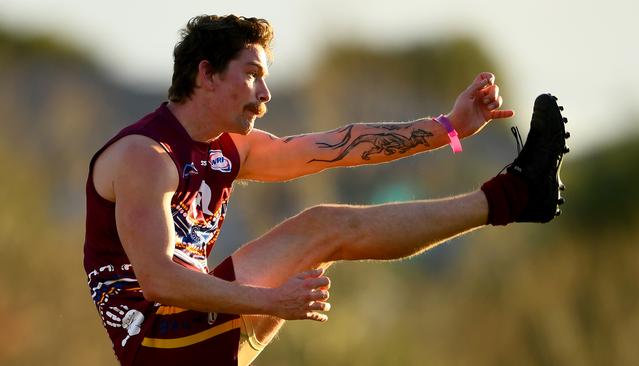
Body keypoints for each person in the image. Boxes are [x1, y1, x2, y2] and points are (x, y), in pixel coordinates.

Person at [83, 14, 569, 366]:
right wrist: (272, 303)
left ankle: (516, 195)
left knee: (325, 227)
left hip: (196, 321)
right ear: (206, 75)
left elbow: (342, 145)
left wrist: (450, 127)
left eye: (266, 79)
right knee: (322, 228)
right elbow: (158, 281)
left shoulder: (231, 147)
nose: (264, 94)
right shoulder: (145, 158)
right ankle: (515, 196)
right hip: (157, 340)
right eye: (251, 75)